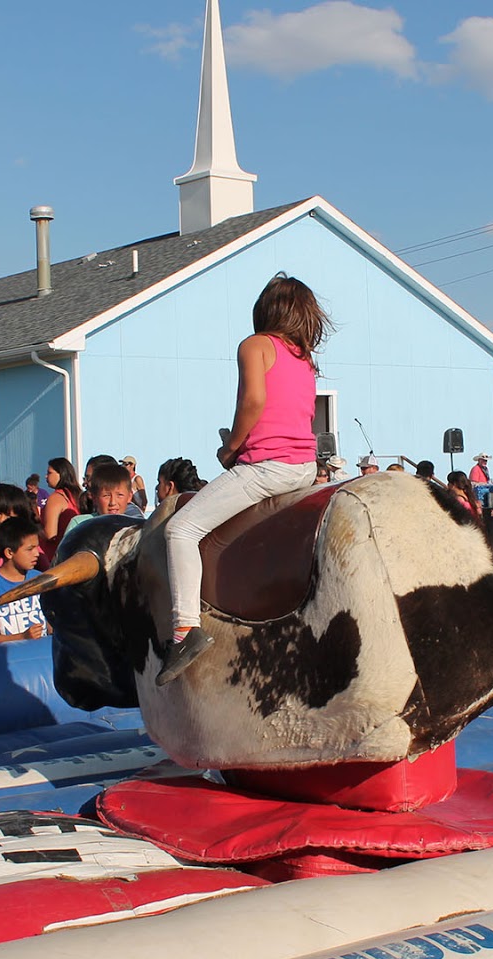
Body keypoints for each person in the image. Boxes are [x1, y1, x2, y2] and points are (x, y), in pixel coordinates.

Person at [161, 273, 328, 685]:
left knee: (181, 530)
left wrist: (230, 448)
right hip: (305, 466)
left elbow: (254, 400)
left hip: (268, 467)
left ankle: (184, 630)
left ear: (265, 311)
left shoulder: (256, 345)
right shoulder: (304, 359)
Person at [0, 516, 49, 645]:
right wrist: (23, 637)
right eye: (30, 549)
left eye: (37, 547)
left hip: (42, 657)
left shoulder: (40, 579)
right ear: (9, 552)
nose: (37, 553)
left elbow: (50, 621)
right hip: (10, 659)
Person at [40, 457, 83, 556]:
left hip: (57, 554)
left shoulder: (56, 498)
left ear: (61, 474)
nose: (46, 477)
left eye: (49, 473)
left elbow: (50, 534)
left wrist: (34, 529)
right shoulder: (77, 495)